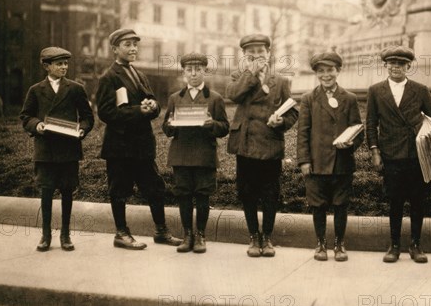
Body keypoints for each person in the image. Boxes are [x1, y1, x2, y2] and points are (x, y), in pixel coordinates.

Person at [96, 28, 181, 250]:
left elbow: (151, 101)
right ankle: (121, 234)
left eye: (135, 44)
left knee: (155, 187)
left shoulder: (139, 74)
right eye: (127, 45)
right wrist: (139, 112)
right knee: (119, 189)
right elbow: (105, 113)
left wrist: (154, 107)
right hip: (120, 147)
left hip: (142, 145)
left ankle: (161, 232)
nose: (133, 48)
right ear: (115, 49)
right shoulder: (109, 77)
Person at [366, 46, 431, 263]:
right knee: (394, 202)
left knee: (418, 201)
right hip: (391, 155)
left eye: (401, 64)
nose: (396, 67)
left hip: (417, 156)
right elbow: (370, 124)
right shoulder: (376, 90)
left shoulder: (420, 90)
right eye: (392, 63)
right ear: (385, 65)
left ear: (408, 66)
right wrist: (375, 151)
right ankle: (394, 246)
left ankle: (415, 244)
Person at [227, 34, 298, 257]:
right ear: (244, 56)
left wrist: (282, 122)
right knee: (247, 192)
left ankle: (267, 237)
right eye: (251, 52)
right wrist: (250, 73)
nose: (256, 55)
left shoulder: (281, 81)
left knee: (269, 193)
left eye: (260, 51)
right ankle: (253, 237)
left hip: (270, 142)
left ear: (268, 54)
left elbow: (293, 111)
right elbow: (234, 95)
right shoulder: (239, 75)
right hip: (245, 142)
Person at [20, 47, 94, 252]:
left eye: (66, 63)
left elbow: (88, 117)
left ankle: (65, 235)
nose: (64, 67)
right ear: (46, 66)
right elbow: (25, 117)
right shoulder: (35, 90)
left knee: (67, 192)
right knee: (46, 193)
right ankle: (45, 235)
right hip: (45, 150)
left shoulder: (76, 89)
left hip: (68, 149)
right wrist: (37, 125)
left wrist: (82, 130)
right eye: (59, 64)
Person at [297, 52, 364, 262]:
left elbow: (358, 129)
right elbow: (303, 132)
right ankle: (320, 244)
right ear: (316, 73)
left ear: (338, 71)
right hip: (316, 163)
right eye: (321, 71)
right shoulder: (308, 98)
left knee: (340, 204)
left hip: (341, 162)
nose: (326, 75)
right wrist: (304, 161)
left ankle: (339, 244)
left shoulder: (350, 98)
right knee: (318, 205)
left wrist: (352, 142)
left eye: (330, 70)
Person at [162, 53, 229, 253]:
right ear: (183, 72)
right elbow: (166, 128)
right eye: (189, 70)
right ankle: (187, 235)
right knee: (183, 195)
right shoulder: (175, 98)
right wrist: (170, 124)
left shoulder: (215, 98)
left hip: (204, 155)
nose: (193, 74)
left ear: (204, 71)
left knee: (202, 196)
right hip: (181, 154)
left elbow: (225, 127)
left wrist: (212, 124)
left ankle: (200, 235)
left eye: (198, 69)